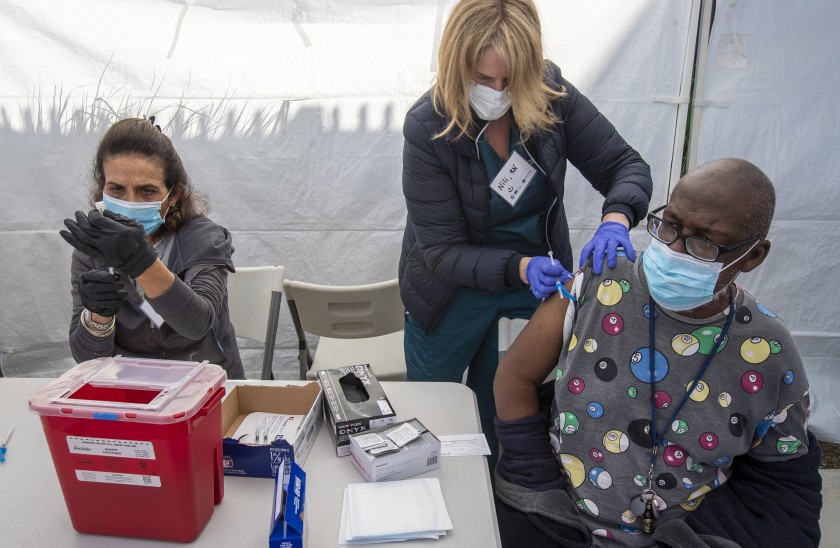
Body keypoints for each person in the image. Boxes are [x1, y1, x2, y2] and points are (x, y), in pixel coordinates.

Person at [493, 158, 822, 547]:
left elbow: (783, 478)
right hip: (556, 514)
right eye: (670, 225)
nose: (674, 249)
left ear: (752, 256)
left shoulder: (766, 350)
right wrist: (536, 480)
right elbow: (514, 376)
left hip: (682, 533)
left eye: (705, 241)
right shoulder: (600, 283)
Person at [399, 0, 652, 470]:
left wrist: (617, 217)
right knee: (437, 412)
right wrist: (518, 265)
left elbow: (625, 165)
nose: (497, 91)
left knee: (508, 404)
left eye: (510, 79)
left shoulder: (551, 94)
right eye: (483, 78)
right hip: (449, 288)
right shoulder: (428, 125)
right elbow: (439, 249)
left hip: (528, 284)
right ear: (457, 65)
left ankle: (502, 499)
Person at [60, 117, 245, 379]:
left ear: (175, 194)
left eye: (147, 190)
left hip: (207, 386)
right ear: (103, 188)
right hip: (133, 391)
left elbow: (197, 324)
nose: (130, 202)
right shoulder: (91, 249)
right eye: (117, 189)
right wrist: (97, 316)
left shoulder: (204, 237)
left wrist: (140, 261)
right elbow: (87, 359)